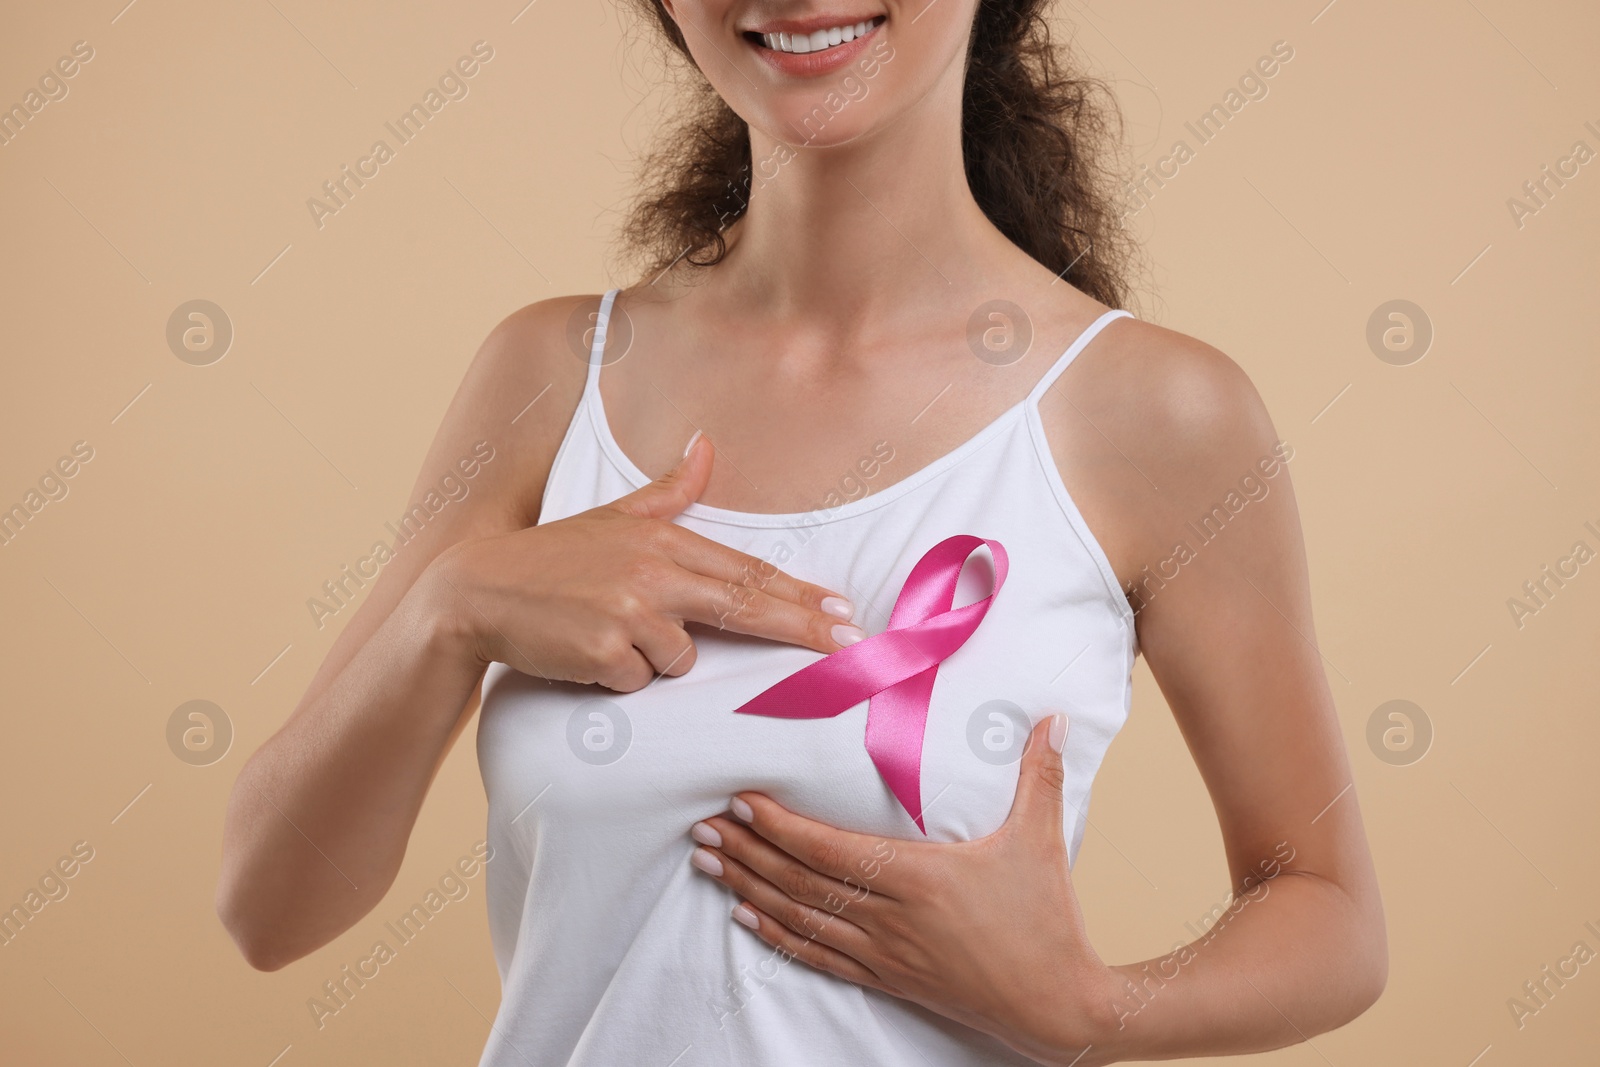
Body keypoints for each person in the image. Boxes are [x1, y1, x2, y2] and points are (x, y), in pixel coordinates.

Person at [218, 2, 1387, 1063]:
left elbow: (1329, 910)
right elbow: (267, 906)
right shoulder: (549, 375)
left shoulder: (1152, 415)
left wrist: (1082, 1006)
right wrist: (451, 608)